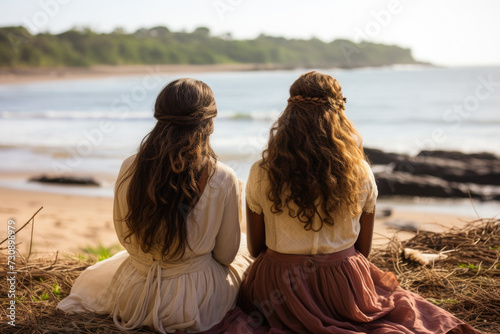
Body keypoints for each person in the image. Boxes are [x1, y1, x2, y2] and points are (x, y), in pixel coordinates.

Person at [238, 71, 479, 334]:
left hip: (279, 290)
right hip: (344, 288)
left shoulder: (261, 171)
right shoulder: (359, 172)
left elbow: (255, 249)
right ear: (339, 114)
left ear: (289, 113)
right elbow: (362, 250)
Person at [57, 78, 254, 333]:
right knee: (245, 259)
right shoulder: (223, 177)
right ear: (209, 123)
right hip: (194, 303)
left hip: (133, 294)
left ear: (159, 116)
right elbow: (226, 255)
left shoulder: (130, 166)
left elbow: (123, 237)